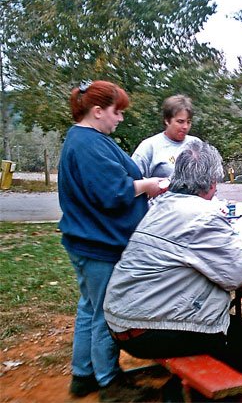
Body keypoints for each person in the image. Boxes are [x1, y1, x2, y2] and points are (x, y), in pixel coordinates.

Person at [104, 141, 242, 382]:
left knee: (236, 332)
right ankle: (196, 394)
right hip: (148, 329)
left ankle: (184, 387)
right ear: (213, 183)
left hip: (121, 319)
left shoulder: (161, 205)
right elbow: (238, 273)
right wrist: (240, 247)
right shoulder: (203, 215)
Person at [58, 80, 164, 402]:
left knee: (89, 308)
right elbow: (113, 193)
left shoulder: (87, 139)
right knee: (106, 312)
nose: (120, 118)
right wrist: (147, 185)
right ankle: (109, 383)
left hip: (89, 243)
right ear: (98, 110)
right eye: (117, 112)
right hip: (98, 246)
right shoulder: (88, 143)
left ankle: (83, 375)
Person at [131, 94, 201, 178]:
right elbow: (132, 181)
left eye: (188, 122)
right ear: (167, 121)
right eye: (180, 121)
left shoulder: (197, 144)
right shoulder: (149, 146)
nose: (185, 126)